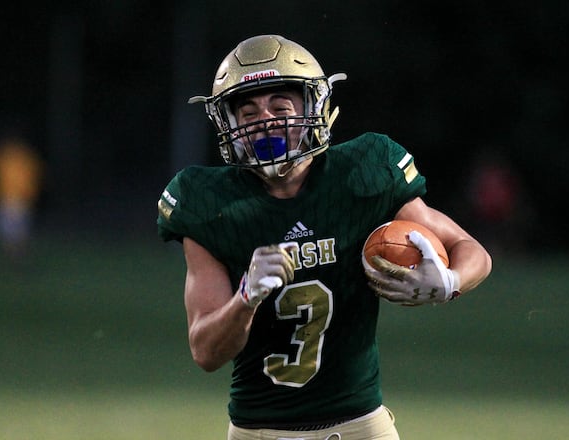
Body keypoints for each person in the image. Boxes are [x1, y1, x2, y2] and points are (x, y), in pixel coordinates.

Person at [157, 35, 492, 439]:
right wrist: (246, 298)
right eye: (247, 112)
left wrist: (450, 281)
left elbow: (471, 251)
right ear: (229, 125)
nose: (265, 121)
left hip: (361, 426)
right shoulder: (208, 202)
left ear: (314, 107)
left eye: (280, 107)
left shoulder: (362, 173)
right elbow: (206, 351)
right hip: (260, 431)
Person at [0, 135, 43, 261]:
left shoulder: (25, 158)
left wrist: (28, 195)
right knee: (7, 232)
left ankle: (18, 256)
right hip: (5, 200)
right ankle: (14, 256)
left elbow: (32, 178)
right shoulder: (1, 158)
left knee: (18, 232)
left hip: (19, 200)